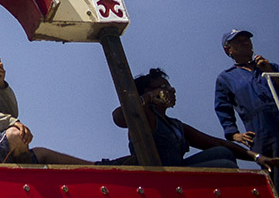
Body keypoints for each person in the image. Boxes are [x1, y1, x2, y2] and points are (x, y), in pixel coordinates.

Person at [114, 67, 276, 171]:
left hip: (178, 171)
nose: (171, 90)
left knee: (222, 152)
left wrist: (256, 156)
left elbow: (216, 143)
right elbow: (120, 117)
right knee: (225, 166)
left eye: (170, 86)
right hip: (159, 175)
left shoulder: (176, 126)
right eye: (164, 87)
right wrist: (149, 97)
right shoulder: (144, 117)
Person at [215, 29, 279, 186]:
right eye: (239, 41)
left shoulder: (270, 67)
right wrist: (233, 134)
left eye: (247, 40)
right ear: (227, 49)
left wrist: (269, 71)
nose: (245, 43)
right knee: (275, 173)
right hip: (262, 131)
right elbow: (223, 108)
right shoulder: (226, 78)